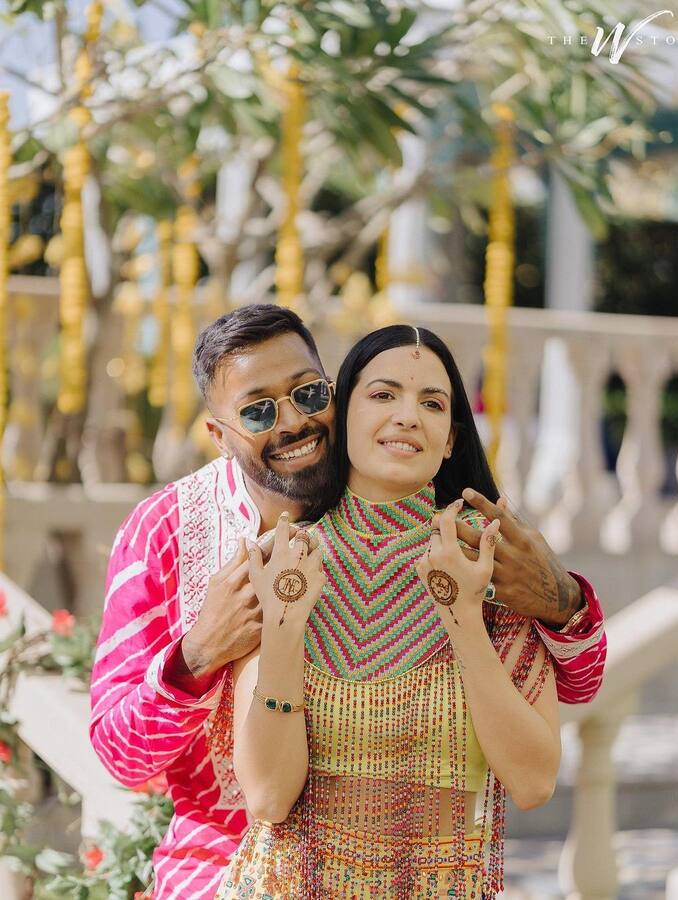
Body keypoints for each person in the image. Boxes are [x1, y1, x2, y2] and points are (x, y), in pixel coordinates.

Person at [89, 305, 605, 900]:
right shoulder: (179, 533)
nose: (292, 423)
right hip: (226, 860)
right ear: (219, 434)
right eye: (258, 411)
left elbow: (570, 704)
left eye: (309, 394)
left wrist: (560, 602)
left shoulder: (477, 550)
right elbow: (127, 759)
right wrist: (200, 652)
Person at [215, 324, 560, 899]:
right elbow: (269, 798)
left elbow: (533, 782)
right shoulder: (285, 559)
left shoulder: (494, 563)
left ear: (450, 439)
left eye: (431, 403)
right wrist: (283, 628)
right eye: (382, 395)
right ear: (341, 413)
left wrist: (464, 620)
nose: (407, 416)